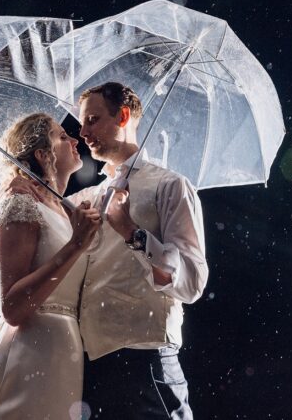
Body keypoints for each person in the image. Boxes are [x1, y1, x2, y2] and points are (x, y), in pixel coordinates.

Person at [0, 113, 101, 420]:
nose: (74, 140)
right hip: (33, 349)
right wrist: (76, 245)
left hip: (64, 351)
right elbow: (11, 307)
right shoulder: (19, 200)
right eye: (61, 137)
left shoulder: (63, 208)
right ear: (42, 154)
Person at [75, 82, 210, 418]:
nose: (82, 132)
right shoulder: (91, 196)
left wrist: (129, 230)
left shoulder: (170, 186)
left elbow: (191, 281)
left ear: (122, 116)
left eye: (92, 120)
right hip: (92, 367)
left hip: (144, 360)